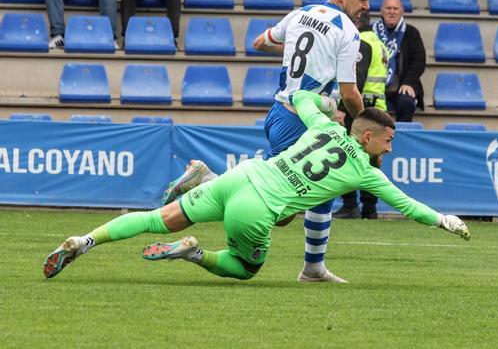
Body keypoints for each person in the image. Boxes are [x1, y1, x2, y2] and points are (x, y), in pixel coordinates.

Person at [43, 91, 471, 281]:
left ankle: (85, 240)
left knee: (158, 219)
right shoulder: (366, 171)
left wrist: (324, 103)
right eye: (389, 140)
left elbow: (301, 98)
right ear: (366, 138)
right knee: (247, 269)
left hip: (242, 175)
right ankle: (196, 253)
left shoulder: (324, 124)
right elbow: (409, 206)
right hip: (257, 206)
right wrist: (444, 220)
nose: (391, 149)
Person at [162, 0, 373, 283]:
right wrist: (366, 118)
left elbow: (260, 42)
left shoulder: (299, 13)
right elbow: (349, 91)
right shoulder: (347, 31)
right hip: (301, 121)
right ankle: (311, 268)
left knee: (290, 208)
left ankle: (210, 181)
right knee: (290, 200)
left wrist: (294, 50)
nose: (366, 6)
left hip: (279, 113)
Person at [336, 10, 389, 220]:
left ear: (355, 22)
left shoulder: (360, 43)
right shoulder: (379, 43)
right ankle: (370, 208)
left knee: (347, 155)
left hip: (359, 110)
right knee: (371, 159)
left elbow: (356, 77)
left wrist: (341, 107)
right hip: (378, 108)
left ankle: (350, 205)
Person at [372, 0, 425, 123]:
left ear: (402, 11)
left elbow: (419, 61)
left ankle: (401, 137)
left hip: (402, 84)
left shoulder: (411, 33)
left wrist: (409, 82)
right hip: (374, 85)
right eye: (388, 8)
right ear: (381, 11)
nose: (392, 11)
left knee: (406, 102)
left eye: (395, 8)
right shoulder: (370, 31)